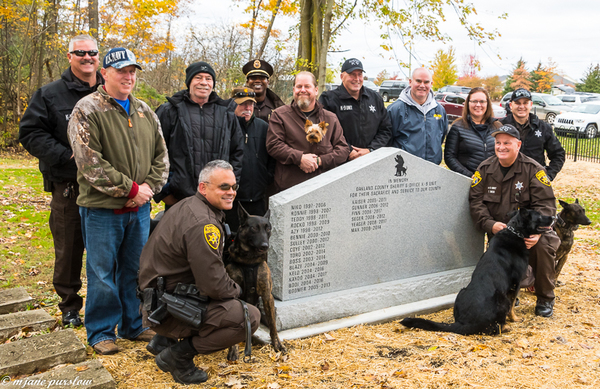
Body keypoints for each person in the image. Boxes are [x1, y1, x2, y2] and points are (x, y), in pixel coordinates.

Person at [67, 47, 169, 355]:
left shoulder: (144, 111)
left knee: (134, 270)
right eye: (122, 71)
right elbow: (89, 163)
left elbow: (161, 157)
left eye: (132, 72)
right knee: (102, 273)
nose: (128, 76)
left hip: (139, 210)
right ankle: (101, 331)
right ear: (105, 74)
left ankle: (132, 324)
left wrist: (150, 187)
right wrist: (131, 189)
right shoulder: (87, 109)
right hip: (102, 210)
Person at [138, 160, 260, 385]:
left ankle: (164, 340)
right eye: (224, 187)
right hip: (167, 307)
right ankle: (178, 356)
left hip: (158, 298)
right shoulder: (203, 223)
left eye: (234, 187)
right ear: (203, 188)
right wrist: (236, 290)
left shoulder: (191, 205)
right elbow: (213, 284)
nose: (231, 192)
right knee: (249, 317)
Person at [19, 34, 104, 328]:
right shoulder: (49, 94)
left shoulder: (110, 90)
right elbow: (30, 133)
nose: (87, 57)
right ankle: (69, 307)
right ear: (69, 57)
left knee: (106, 251)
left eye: (92, 51)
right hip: (70, 187)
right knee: (69, 251)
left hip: (106, 187)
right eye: (79, 52)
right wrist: (68, 157)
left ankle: (105, 305)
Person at [469, 124, 560, 318]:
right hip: (500, 232)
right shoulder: (485, 169)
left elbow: (546, 204)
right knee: (497, 254)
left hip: (529, 231)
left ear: (518, 144)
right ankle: (508, 295)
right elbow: (475, 201)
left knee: (542, 246)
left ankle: (545, 298)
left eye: (507, 143)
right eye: (498, 143)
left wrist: (537, 233)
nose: (501, 147)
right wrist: (489, 224)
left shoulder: (533, 169)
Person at [154, 61, 244, 209]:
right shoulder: (170, 111)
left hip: (215, 198)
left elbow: (237, 154)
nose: (204, 82)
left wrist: (230, 187)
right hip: (178, 198)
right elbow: (155, 151)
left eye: (208, 78)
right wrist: (164, 192)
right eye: (198, 77)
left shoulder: (226, 114)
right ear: (189, 82)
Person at [266, 71, 349, 192]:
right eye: (299, 86)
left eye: (307, 86)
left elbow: (343, 150)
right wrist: (300, 158)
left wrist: (320, 161)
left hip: (323, 186)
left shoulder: (330, 118)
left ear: (316, 90)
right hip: (290, 187)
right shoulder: (280, 115)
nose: (302, 90)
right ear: (294, 89)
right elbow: (273, 145)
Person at [318, 58, 392, 161]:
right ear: (342, 77)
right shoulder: (328, 99)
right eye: (352, 74)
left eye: (360, 74)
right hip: (340, 161)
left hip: (370, 159)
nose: (357, 78)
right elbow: (325, 131)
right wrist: (347, 150)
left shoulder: (375, 98)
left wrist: (371, 150)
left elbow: (386, 129)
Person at [224, 86, 275, 231]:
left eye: (251, 104)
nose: (247, 107)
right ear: (233, 103)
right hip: (232, 199)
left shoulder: (263, 127)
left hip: (257, 199)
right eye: (242, 104)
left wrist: (266, 177)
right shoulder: (225, 127)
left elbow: (271, 158)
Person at [501, 88, 565, 181]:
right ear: (511, 105)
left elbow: (558, 154)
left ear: (531, 105)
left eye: (525, 103)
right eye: (518, 103)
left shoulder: (543, 128)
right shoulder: (501, 126)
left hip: (534, 183)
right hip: (506, 180)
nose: (521, 106)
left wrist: (549, 175)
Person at [387, 68, 447, 164]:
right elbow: (387, 141)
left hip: (432, 168)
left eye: (426, 82)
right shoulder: (395, 109)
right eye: (418, 81)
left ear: (431, 84)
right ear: (410, 82)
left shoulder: (439, 110)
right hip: (406, 171)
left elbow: (441, 136)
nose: (422, 85)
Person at [444, 87, 502, 177]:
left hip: (494, 180)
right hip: (468, 181)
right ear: (468, 104)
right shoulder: (458, 127)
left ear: (487, 104)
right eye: (474, 101)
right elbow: (449, 157)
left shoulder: (497, 126)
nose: (478, 105)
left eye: (482, 101)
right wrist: (469, 175)